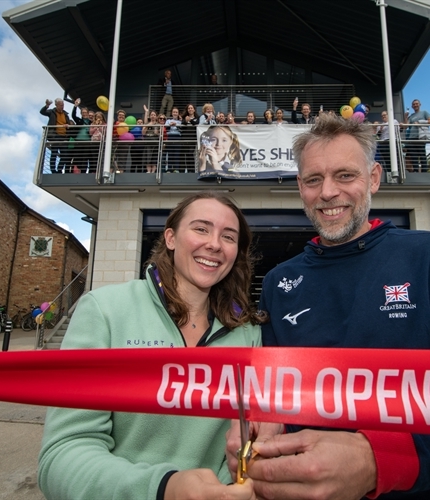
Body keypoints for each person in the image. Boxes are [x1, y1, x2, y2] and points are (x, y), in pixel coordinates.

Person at [226, 114, 430, 499]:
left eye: (345, 176)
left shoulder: (423, 256)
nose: (328, 192)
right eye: (313, 180)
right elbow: (276, 391)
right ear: (300, 186)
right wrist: (263, 424)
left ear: (373, 179)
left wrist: (381, 460)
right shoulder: (278, 282)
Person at [38, 191, 265, 500]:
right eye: (201, 228)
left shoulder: (248, 332)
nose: (214, 243)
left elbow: (248, 438)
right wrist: (163, 488)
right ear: (170, 238)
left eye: (228, 236)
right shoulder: (105, 310)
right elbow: (62, 457)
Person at [40, 98, 71, 173]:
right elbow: (42, 112)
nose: (62, 106)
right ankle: (53, 171)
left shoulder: (65, 114)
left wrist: (68, 125)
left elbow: (69, 124)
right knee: (54, 153)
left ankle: (59, 169)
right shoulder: (52, 112)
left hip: (64, 137)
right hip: (55, 136)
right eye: (60, 105)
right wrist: (47, 106)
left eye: (63, 105)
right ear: (56, 105)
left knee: (65, 155)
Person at [403, 99, 430, 173]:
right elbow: (406, 126)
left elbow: (429, 121)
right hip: (411, 138)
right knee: (414, 156)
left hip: (420, 137)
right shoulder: (411, 116)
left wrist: (420, 122)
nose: (415, 105)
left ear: (420, 104)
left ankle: (424, 171)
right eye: (414, 104)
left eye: (416, 103)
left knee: (422, 155)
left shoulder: (424, 112)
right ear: (412, 106)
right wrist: (406, 117)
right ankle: (416, 171)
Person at [71, 98, 92, 173]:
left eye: (85, 112)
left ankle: (83, 172)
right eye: (82, 112)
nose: (84, 114)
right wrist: (75, 106)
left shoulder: (91, 122)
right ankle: (76, 172)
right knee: (77, 157)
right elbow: (73, 115)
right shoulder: (79, 120)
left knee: (85, 157)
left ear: (88, 113)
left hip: (87, 142)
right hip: (78, 140)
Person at [181, 103, 199, 172]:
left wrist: (190, 120)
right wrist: (186, 121)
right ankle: (183, 171)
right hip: (184, 139)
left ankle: (191, 170)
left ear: (194, 110)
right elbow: (181, 125)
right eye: (189, 108)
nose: (190, 109)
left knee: (190, 154)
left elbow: (197, 124)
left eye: (191, 108)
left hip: (193, 139)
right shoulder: (184, 117)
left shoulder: (197, 118)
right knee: (184, 155)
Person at [165, 107, 182, 173]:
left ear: (178, 114)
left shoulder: (180, 121)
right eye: (174, 112)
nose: (175, 113)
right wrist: (170, 124)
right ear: (172, 113)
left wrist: (176, 125)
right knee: (170, 153)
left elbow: (181, 129)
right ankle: (169, 169)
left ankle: (176, 169)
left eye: (176, 112)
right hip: (170, 136)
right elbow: (165, 127)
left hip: (177, 136)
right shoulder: (168, 121)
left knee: (176, 153)